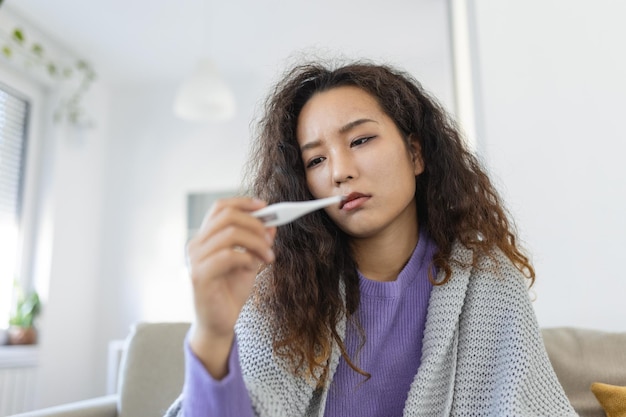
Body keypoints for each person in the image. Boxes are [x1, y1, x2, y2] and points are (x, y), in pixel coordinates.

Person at [165, 60, 577, 416]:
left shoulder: (489, 281)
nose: (339, 171)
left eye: (360, 140)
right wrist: (212, 335)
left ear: (416, 154)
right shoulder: (281, 291)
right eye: (316, 159)